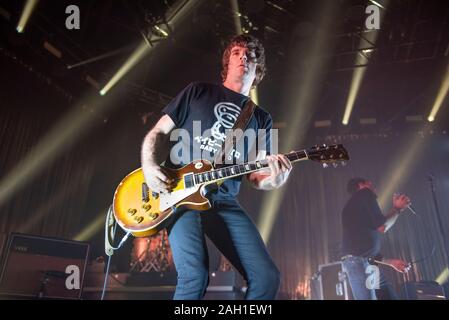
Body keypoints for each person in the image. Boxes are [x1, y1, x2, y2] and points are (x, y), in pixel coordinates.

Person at [140, 34, 292, 300]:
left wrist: (276, 180)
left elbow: (258, 177)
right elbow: (158, 133)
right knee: (195, 276)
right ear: (227, 63)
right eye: (236, 53)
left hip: (223, 199)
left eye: (251, 56)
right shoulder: (198, 91)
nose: (244, 57)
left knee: (267, 278)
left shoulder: (261, 118)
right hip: (180, 194)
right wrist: (148, 164)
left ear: (258, 70)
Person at [340, 177, 411, 300]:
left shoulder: (356, 206)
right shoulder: (365, 194)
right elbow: (382, 227)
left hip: (366, 263)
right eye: (369, 182)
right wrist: (398, 208)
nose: (372, 185)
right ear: (361, 185)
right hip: (358, 264)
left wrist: (390, 262)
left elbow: (365, 246)